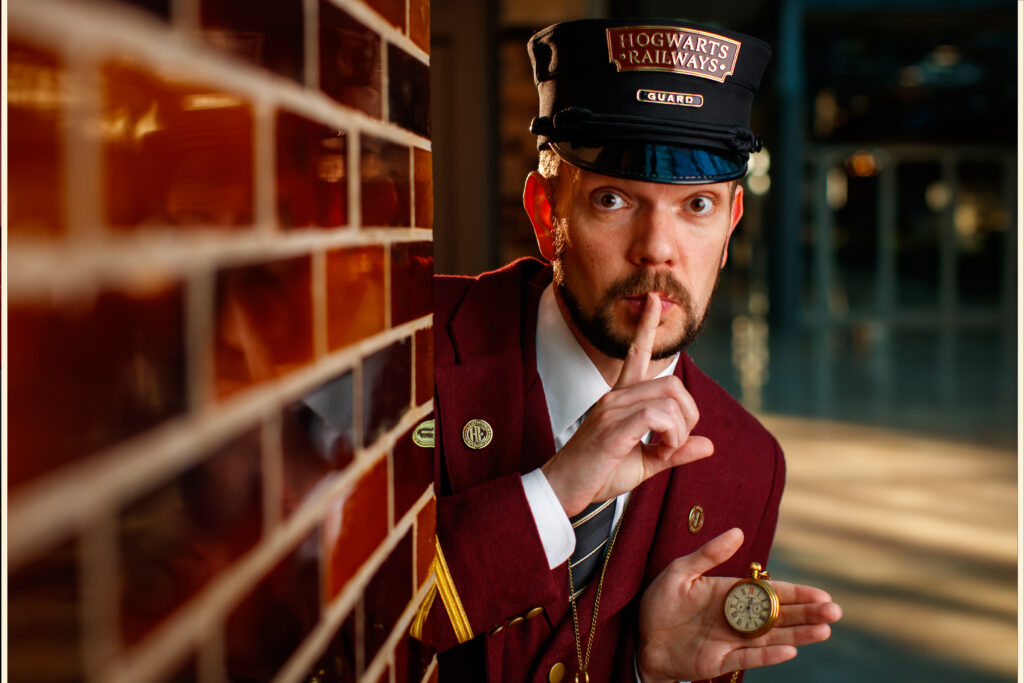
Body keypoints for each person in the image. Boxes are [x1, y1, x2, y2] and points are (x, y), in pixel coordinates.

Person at [410, 18, 841, 683]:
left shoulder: (749, 465)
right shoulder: (410, 339)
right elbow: (327, 636)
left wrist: (649, 671)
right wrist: (553, 494)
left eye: (696, 205)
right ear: (545, 211)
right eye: (612, 199)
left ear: (729, 230)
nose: (658, 248)